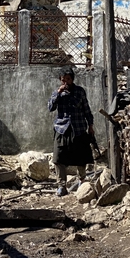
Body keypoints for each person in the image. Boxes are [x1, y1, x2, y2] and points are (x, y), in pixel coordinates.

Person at [48, 67, 94, 196]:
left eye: (68, 79)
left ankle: (82, 180)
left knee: (81, 157)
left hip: (78, 128)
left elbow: (86, 109)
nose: (65, 82)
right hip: (61, 128)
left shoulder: (80, 92)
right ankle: (61, 185)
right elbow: (51, 107)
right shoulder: (57, 93)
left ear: (72, 79)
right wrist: (58, 93)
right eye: (63, 80)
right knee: (58, 157)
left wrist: (90, 125)